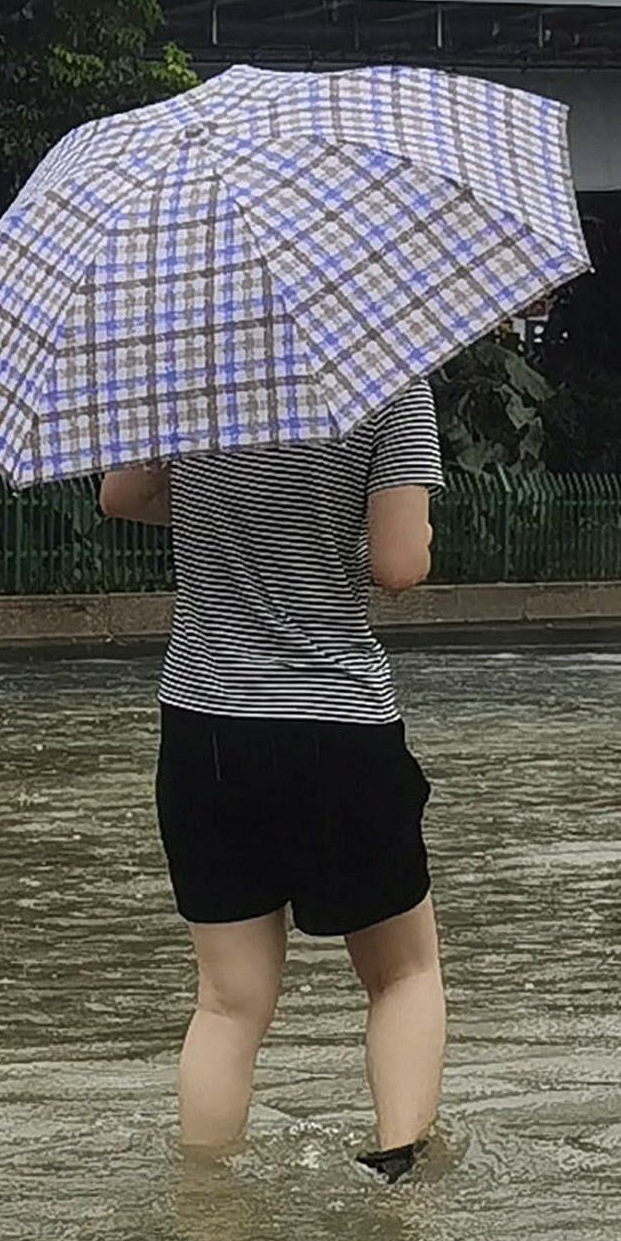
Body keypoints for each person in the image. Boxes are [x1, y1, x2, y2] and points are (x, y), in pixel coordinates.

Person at [99, 384, 443, 1176]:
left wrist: (236, 518)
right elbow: (398, 563)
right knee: (402, 974)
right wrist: (351, 531)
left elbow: (120, 494)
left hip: (203, 728)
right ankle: (397, 1181)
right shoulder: (389, 381)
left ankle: (209, 1215)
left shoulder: (189, 364)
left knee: (227, 1002)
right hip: (336, 723)